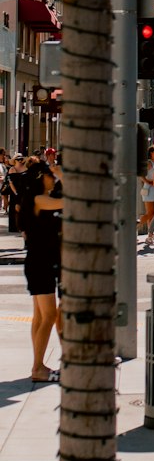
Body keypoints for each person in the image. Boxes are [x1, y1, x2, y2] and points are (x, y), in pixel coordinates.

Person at [22, 156, 62, 382]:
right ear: (41, 178)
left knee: (39, 317)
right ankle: (38, 368)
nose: (53, 178)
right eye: (50, 175)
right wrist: (63, 176)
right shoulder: (39, 199)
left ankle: (38, 365)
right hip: (41, 263)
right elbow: (71, 199)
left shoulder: (37, 199)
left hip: (38, 262)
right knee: (49, 316)